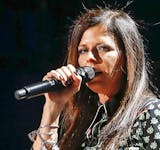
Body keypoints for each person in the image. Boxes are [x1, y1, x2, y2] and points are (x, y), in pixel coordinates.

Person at [29, 6, 160, 150]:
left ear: (128, 56)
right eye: (83, 50)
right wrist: (52, 107)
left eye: (103, 48)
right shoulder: (85, 120)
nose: (89, 58)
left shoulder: (151, 112)